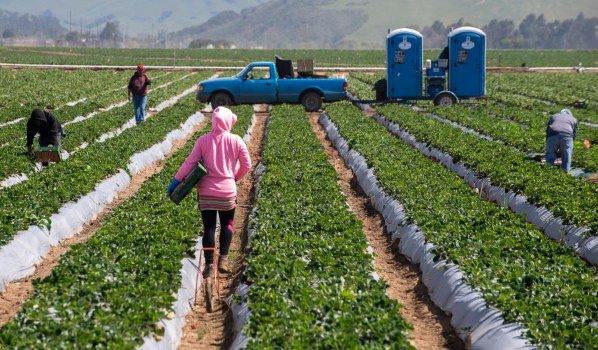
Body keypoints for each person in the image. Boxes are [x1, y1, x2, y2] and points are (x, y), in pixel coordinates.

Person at [167, 106, 251, 278]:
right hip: (227, 193)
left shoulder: (203, 140)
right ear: (229, 122)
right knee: (227, 224)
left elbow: (189, 163)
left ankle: (210, 265)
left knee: (209, 227)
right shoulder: (236, 140)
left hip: (206, 193)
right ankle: (223, 260)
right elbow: (247, 165)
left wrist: (175, 181)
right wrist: (234, 178)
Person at [546, 108, 577, 173]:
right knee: (567, 157)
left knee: (550, 155)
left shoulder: (553, 116)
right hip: (567, 136)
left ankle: (548, 172)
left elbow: (548, 130)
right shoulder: (573, 119)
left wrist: (549, 142)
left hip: (553, 134)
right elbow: (574, 134)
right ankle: (565, 174)